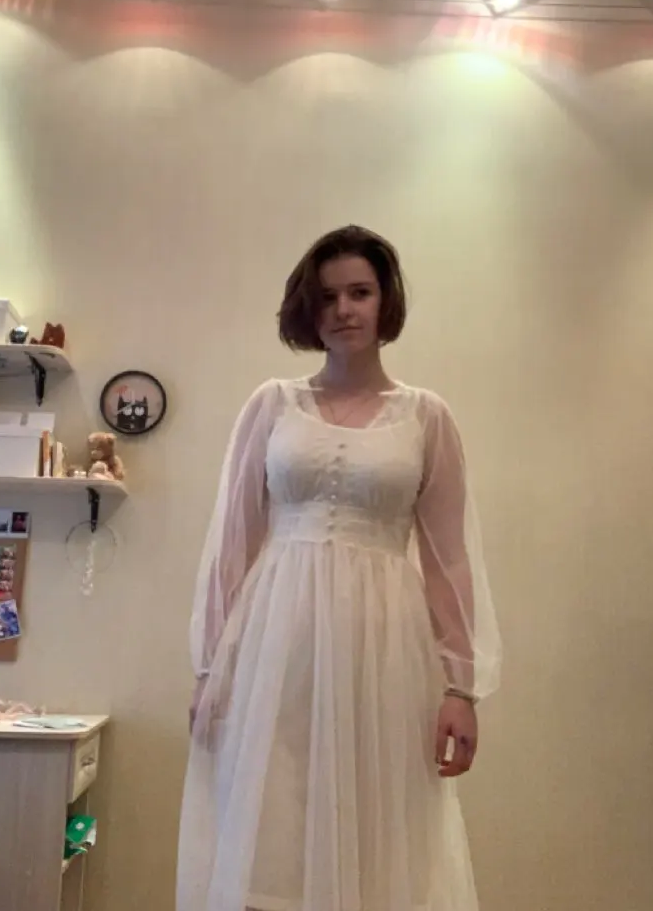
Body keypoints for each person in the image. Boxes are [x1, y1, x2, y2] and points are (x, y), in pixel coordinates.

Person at [177, 225, 502, 911]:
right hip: (277, 646)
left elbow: (448, 561)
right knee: (270, 826)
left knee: (381, 832)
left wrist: (461, 688)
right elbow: (233, 543)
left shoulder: (426, 417)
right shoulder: (272, 405)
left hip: (385, 651)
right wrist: (210, 669)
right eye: (327, 297)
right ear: (308, 308)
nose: (344, 310)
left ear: (386, 302)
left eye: (360, 292)